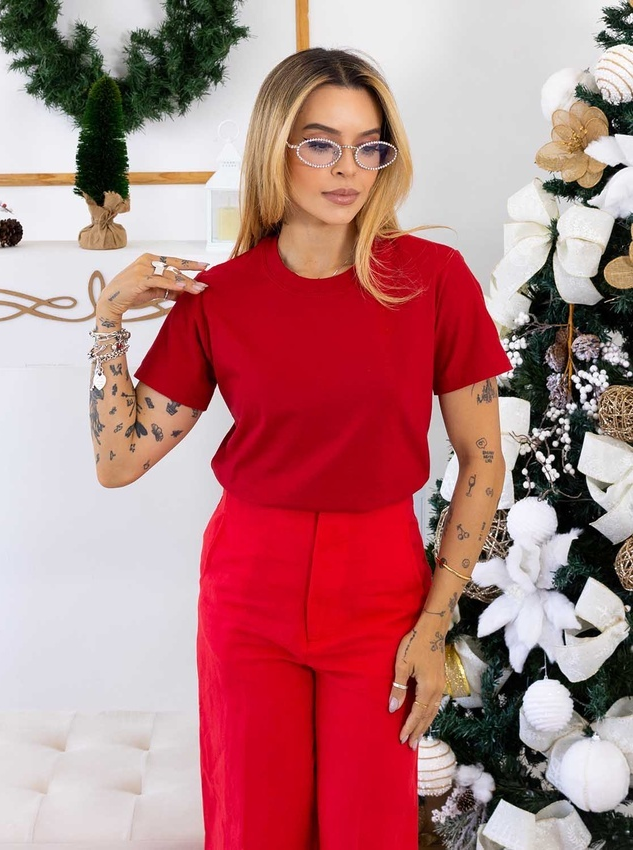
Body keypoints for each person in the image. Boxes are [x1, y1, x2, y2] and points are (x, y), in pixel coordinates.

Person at [89, 47, 511, 850]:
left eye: (367, 146)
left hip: (382, 589)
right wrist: (109, 322)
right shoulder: (219, 296)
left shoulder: (433, 279)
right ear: (273, 149)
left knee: (367, 829)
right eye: (320, 143)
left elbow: (482, 460)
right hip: (249, 585)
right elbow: (119, 461)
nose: (347, 168)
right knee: (255, 824)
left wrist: (435, 620)